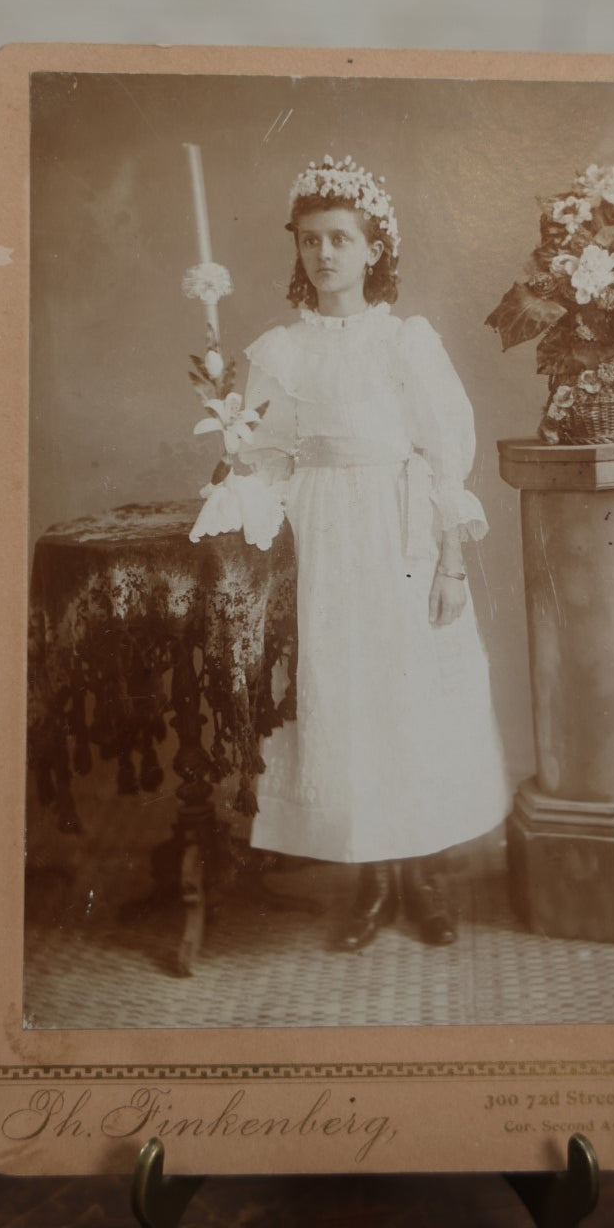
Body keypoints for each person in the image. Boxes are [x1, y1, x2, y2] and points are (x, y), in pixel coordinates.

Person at [239, 154, 509, 951]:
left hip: (400, 537)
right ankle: (365, 883)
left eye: (342, 239)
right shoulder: (280, 352)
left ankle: (419, 878)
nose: (325, 254)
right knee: (346, 702)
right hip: (322, 540)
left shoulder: (405, 343)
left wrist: (451, 560)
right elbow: (264, 460)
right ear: (298, 249)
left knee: (411, 700)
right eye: (311, 239)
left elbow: (440, 454)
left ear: (372, 249)